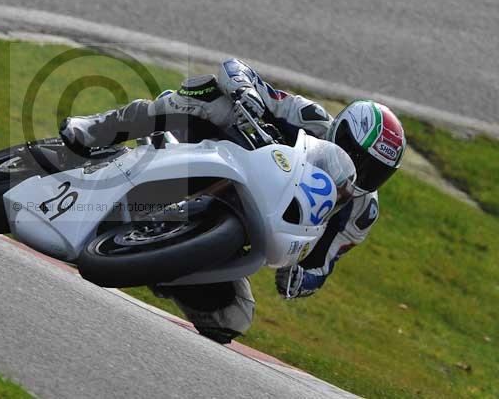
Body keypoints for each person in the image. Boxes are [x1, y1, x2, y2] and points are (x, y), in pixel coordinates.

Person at [59, 58, 406, 344]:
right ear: (340, 128)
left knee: (232, 318)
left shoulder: (361, 212)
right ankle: (98, 129)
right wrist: (246, 93)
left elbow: (320, 265)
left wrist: (301, 275)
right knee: (209, 95)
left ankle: (162, 264)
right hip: (225, 154)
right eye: (357, 156)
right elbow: (235, 68)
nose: (360, 171)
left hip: (246, 222)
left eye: (375, 171)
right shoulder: (310, 118)